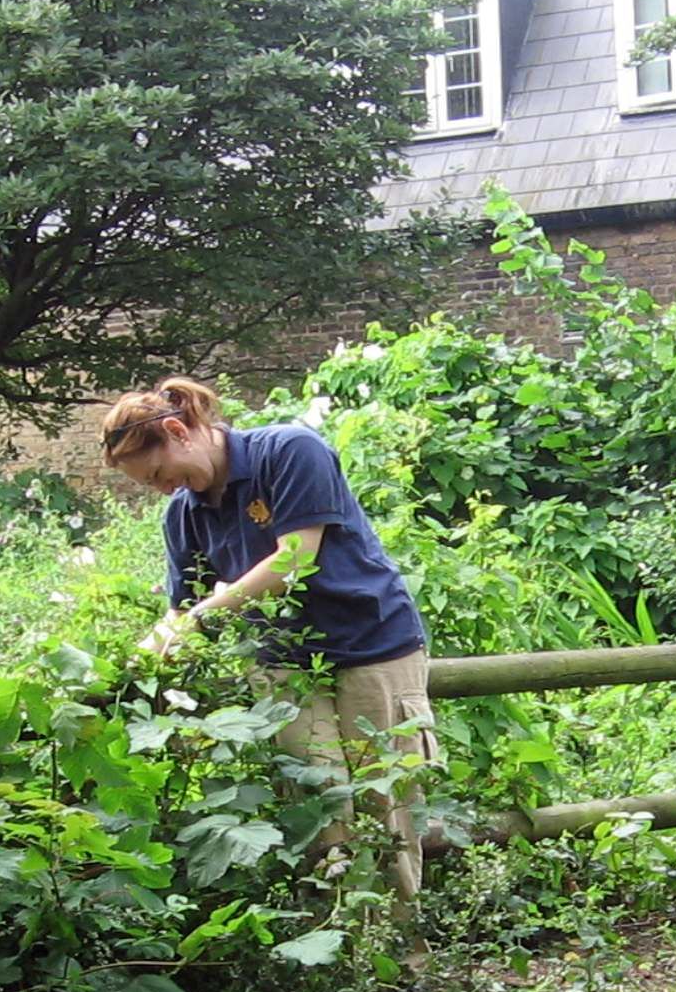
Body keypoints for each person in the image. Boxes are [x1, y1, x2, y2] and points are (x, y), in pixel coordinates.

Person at [101, 378, 437, 898]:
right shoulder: (183, 515)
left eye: (158, 473)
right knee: (318, 807)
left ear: (177, 430)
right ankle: (341, 954)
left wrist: (200, 618)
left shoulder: (289, 452)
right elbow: (182, 608)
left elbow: (294, 559)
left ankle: (404, 959)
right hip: (280, 662)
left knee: (384, 806)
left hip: (371, 643)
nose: (164, 488)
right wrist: (148, 651)